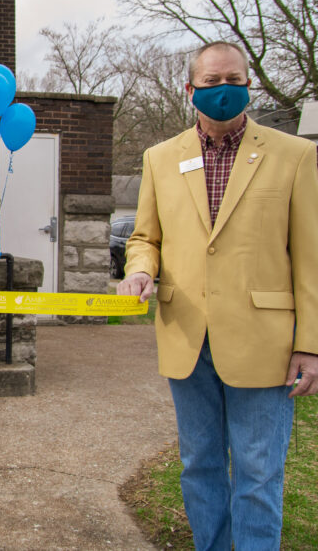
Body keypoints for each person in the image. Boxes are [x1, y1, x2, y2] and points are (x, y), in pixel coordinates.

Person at [118, 40, 318, 551]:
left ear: (248, 84)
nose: (223, 90)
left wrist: (311, 344)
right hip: (186, 336)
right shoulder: (161, 158)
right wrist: (140, 269)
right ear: (191, 90)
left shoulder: (297, 156)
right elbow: (145, 237)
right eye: (211, 82)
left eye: (233, 80)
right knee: (199, 464)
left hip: (264, 343)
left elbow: (311, 257)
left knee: (257, 474)